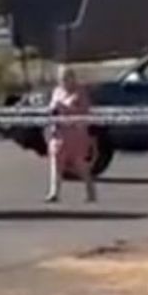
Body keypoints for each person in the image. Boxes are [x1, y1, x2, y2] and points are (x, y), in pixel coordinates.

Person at [46, 66, 97, 204]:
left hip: (76, 134)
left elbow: (85, 111)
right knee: (56, 162)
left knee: (79, 165)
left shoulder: (80, 92)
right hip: (59, 133)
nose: (65, 81)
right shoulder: (57, 92)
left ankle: (90, 190)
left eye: (67, 77)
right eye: (62, 78)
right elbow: (52, 109)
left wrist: (67, 108)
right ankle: (54, 192)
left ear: (73, 78)